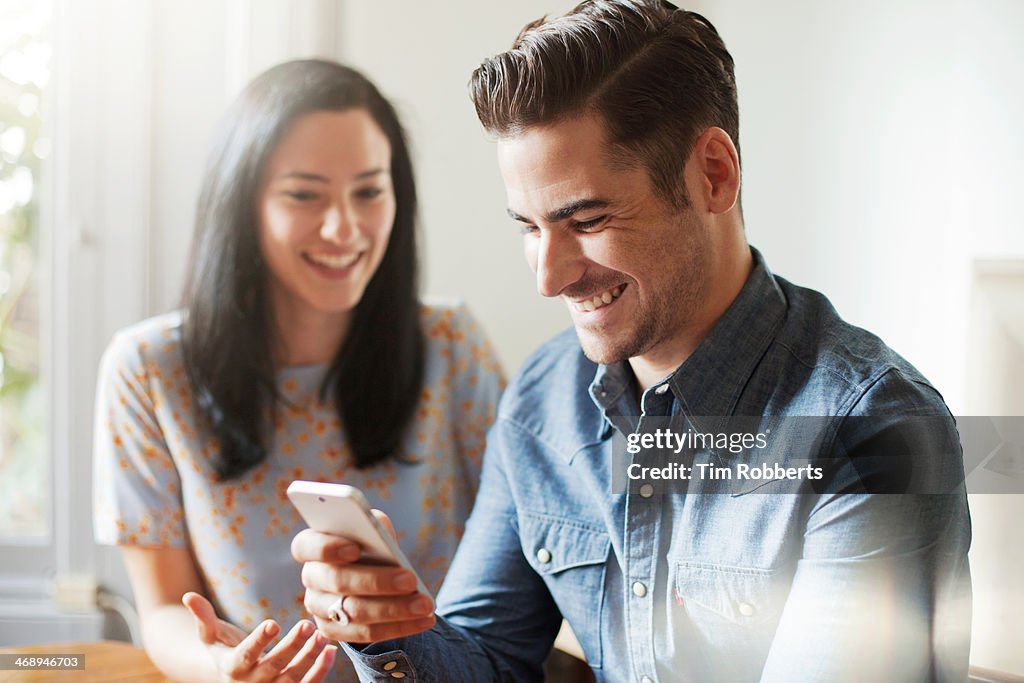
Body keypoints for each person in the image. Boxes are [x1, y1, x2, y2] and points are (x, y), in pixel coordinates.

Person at [291, 2, 972, 682]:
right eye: (529, 227)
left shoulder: (872, 432)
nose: (549, 277)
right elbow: (490, 661)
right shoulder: (541, 404)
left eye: (586, 219)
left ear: (713, 174)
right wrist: (388, 628)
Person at [92, 59, 504, 682]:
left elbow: (525, 556)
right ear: (243, 204)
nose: (343, 228)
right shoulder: (149, 372)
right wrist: (221, 664)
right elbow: (160, 609)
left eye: (369, 191)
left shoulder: (450, 344)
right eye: (304, 195)